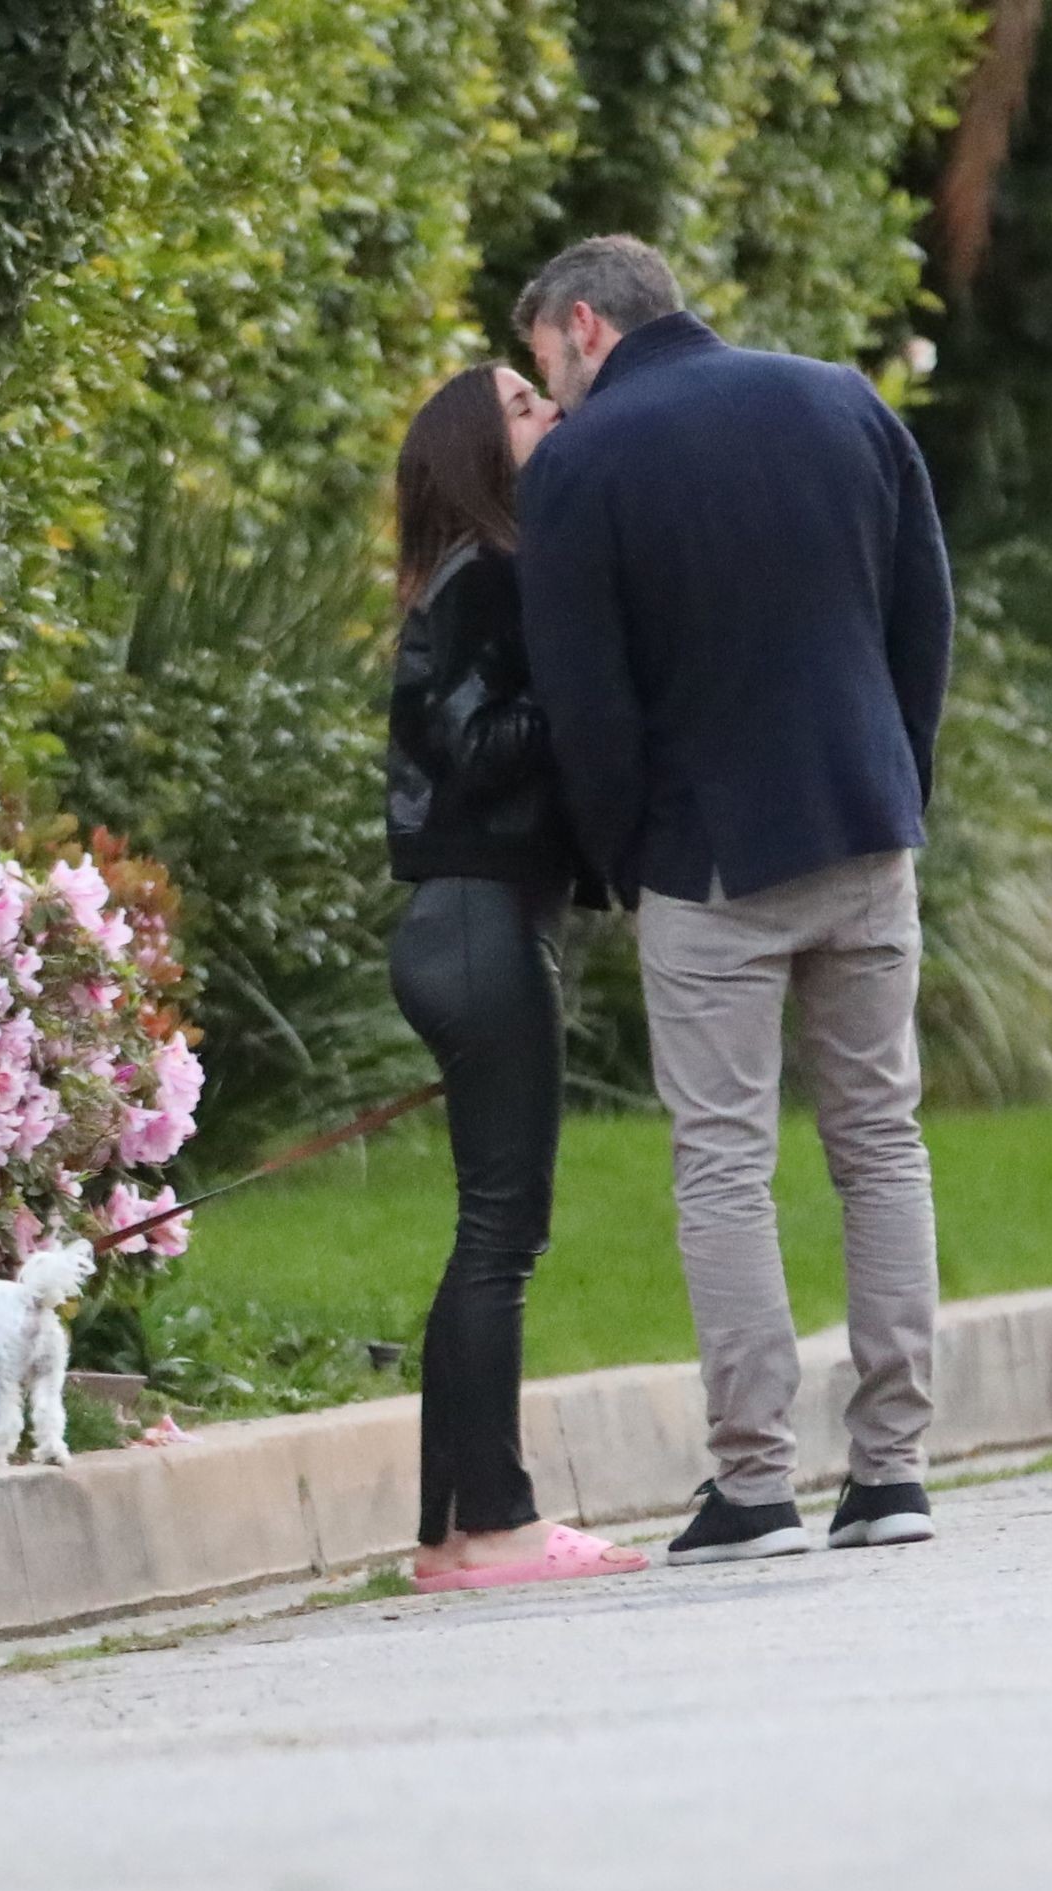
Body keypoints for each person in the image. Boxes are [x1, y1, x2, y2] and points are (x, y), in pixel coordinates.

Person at [512, 236, 956, 1566]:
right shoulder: (840, 400)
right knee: (880, 1141)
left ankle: (754, 1486)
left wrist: (619, 857)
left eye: (543, 360)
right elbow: (922, 618)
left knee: (722, 1160)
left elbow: (585, 698)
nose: (550, 387)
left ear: (584, 325)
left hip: (708, 857)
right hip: (864, 830)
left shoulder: (582, 463)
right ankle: (891, 1474)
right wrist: (895, 782)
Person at [385, 361, 649, 1593]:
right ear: (482, 453)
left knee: (489, 1233)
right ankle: (496, 1526)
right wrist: (592, 682)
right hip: (478, 924)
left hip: (474, 924)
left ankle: (454, 1533)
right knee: (504, 1233)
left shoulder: (477, 573)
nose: (554, 411)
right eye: (527, 406)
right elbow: (479, 746)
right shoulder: (490, 574)